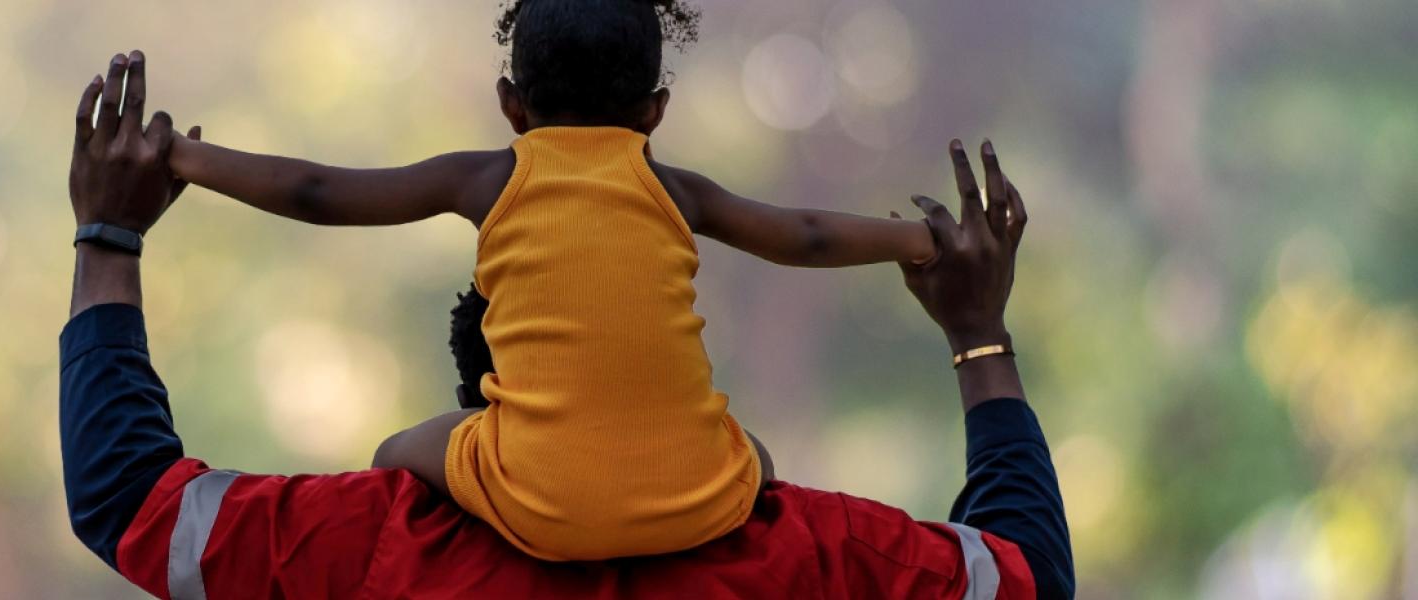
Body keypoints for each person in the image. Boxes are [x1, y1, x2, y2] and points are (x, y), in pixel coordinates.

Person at [61, 54, 1074, 598]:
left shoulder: (373, 545)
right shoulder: (801, 556)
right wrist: (975, 336)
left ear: (494, 381)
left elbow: (129, 503)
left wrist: (111, 234)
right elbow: (1020, 576)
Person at [159, 0, 938, 561]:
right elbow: (803, 234)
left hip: (539, 506)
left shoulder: (487, 180)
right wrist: (927, 239)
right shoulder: (676, 190)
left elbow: (318, 192)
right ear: (655, 111)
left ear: (511, 103)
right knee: (756, 458)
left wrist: (185, 158)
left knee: (398, 448)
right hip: (695, 506)